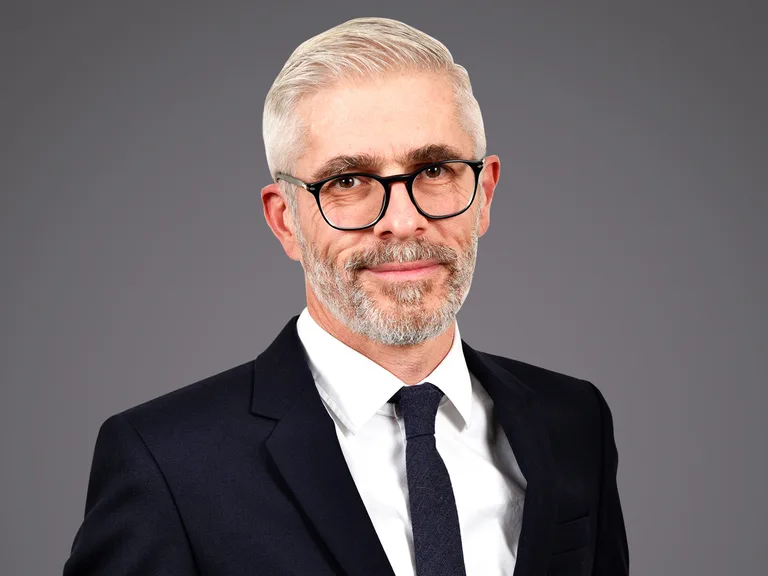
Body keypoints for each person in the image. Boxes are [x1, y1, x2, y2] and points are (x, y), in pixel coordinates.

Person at [64, 16, 629, 576]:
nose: (403, 222)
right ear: (286, 220)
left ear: (483, 194)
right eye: (348, 181)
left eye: (433, 168)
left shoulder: (573, 421)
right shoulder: (168, 463)